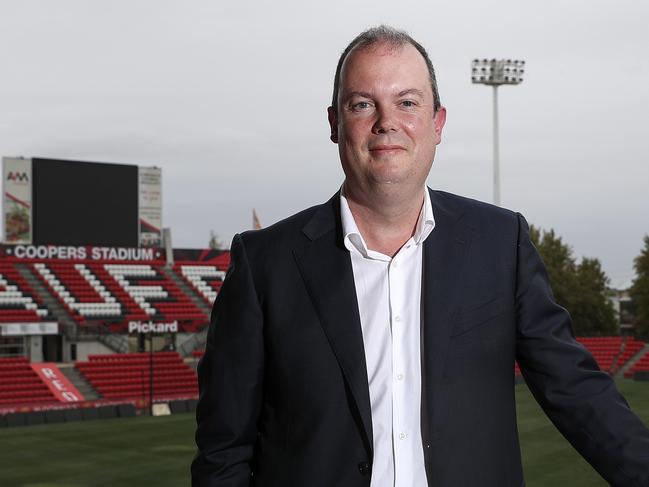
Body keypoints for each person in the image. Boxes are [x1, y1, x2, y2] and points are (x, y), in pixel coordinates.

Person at [192, 26, 649, 487]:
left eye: (407, 102)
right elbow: (223, 452)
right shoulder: (264, 264)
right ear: (334, 123)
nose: (386, 121)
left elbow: (576, 392)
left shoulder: (500, 243)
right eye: (363, 104)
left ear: (438, 123)